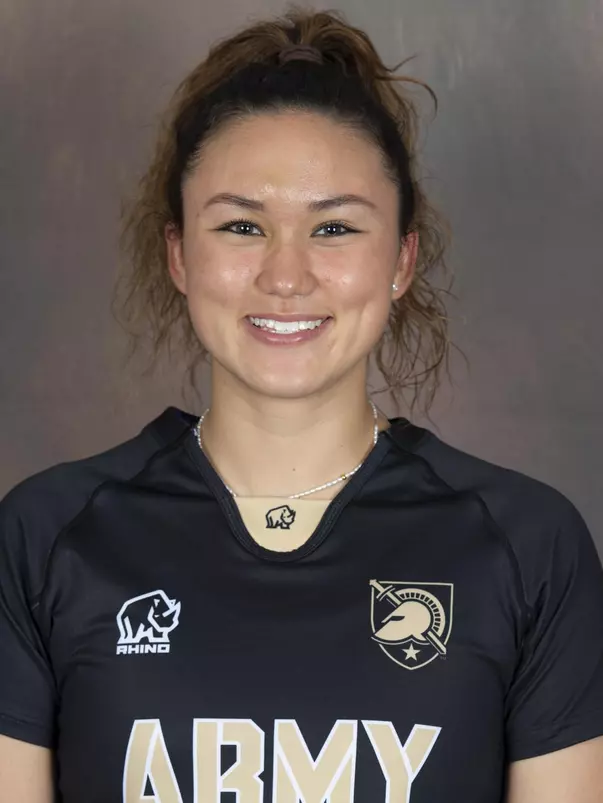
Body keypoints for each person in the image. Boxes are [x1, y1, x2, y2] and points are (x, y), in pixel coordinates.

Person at [1, 7, 602, 802]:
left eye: (335, 228)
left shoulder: (528, 548)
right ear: (180, 254)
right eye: (243, 225)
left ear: (401, 259)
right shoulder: (46, 537)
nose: (286, 276)